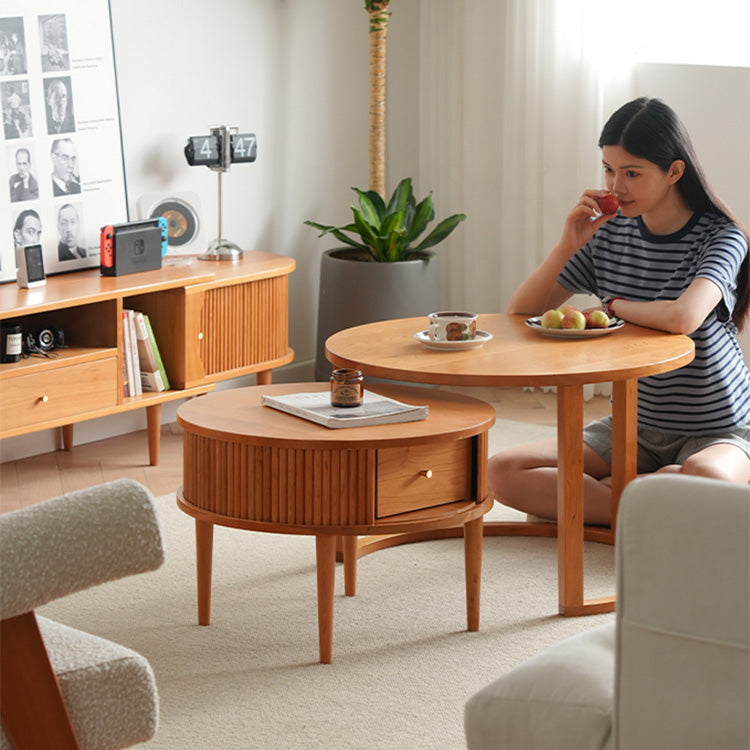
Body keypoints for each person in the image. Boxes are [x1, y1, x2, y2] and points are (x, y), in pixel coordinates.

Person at [488, 97, 750, 526]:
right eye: (608, 169)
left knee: (704, 476)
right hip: (634, 424)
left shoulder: (722, 235)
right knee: (502, 471)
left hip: (722, 428)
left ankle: (638, 497)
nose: (615, 186)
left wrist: (612, 306)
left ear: (674, 171)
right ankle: (652, 503)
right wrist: (567, 245)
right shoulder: (608, 234)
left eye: (632, 173)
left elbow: (685, 318)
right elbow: (519, 314)